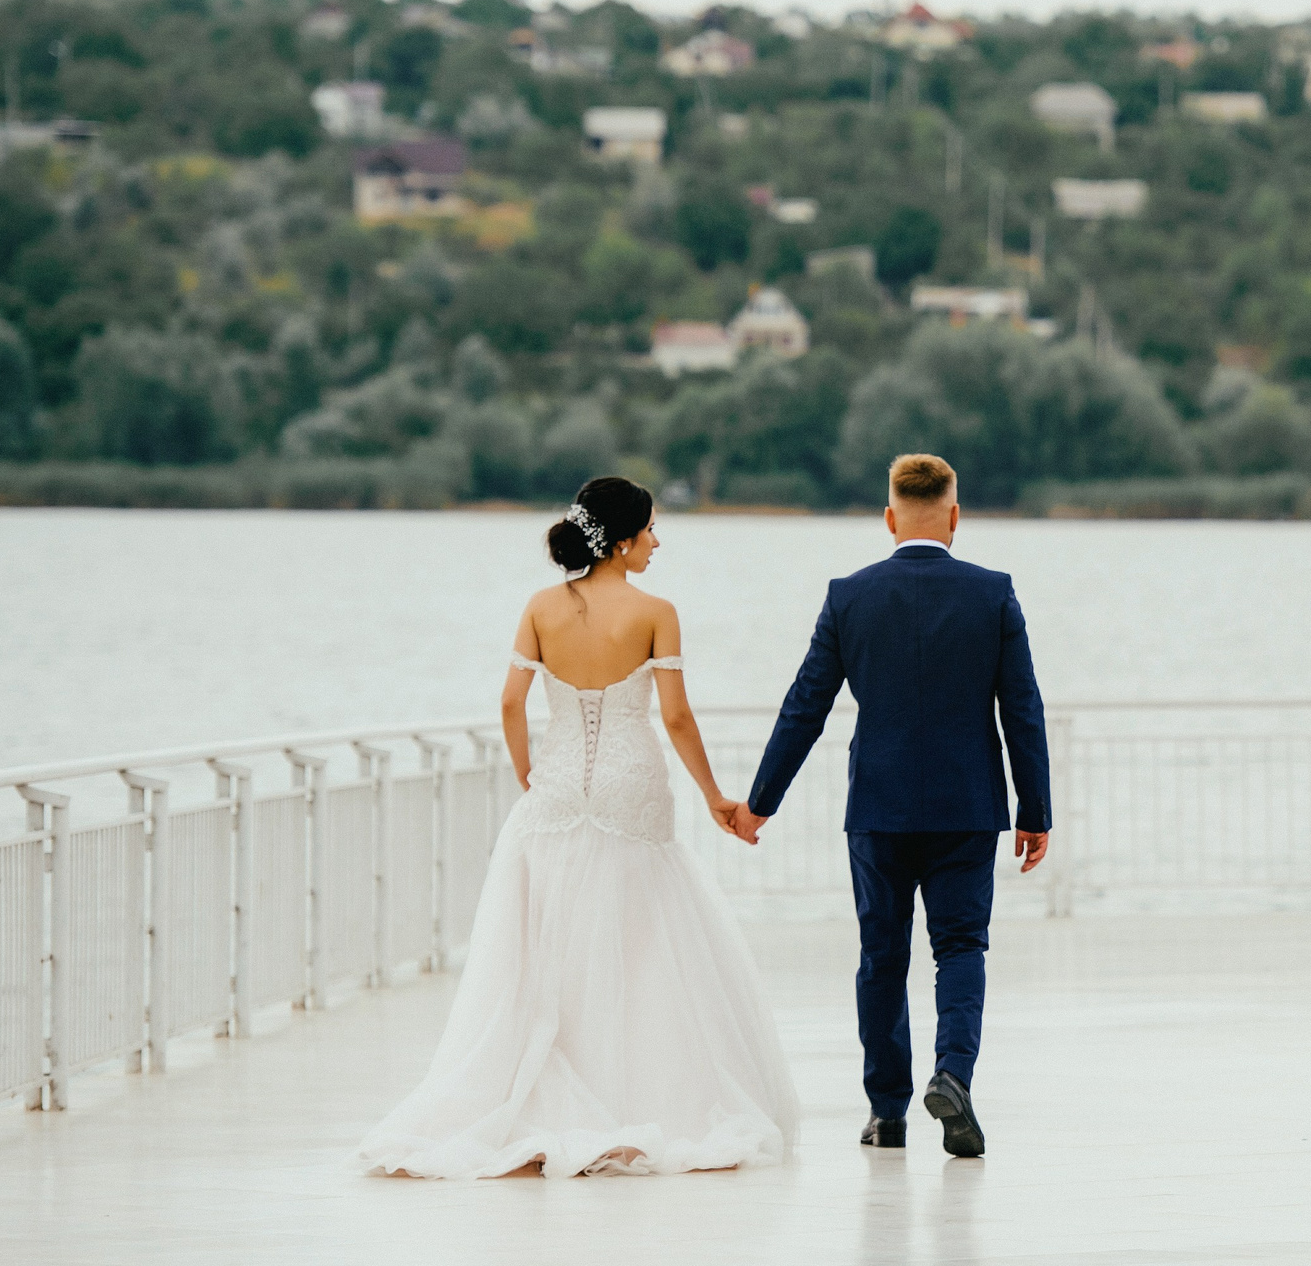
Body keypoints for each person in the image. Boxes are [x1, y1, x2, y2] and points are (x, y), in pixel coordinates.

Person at [357, 476, 799, 1178]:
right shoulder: (656, 612)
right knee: (642, 942)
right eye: (650, 530)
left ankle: (545, 1091)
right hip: (631, 787)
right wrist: (716, 795)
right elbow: (676, 716)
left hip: (558, 788)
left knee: (551, 943)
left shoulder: (540, 607)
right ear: (621, 541)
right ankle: (641, 1092)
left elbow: (510, 703)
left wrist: (529, 773)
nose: (657, 542)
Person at [732, 453, 1050, 1159]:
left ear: (889, 518)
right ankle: (953, 1075)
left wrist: (760, 803)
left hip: (878, 807)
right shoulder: (993, 593)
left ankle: (887, 1111)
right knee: (961, 946)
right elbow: (1022, 709)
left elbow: (805, 706)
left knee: (882, 955)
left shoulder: (849, 596)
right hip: (968, 805)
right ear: (955, 516)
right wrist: (1035, 810)